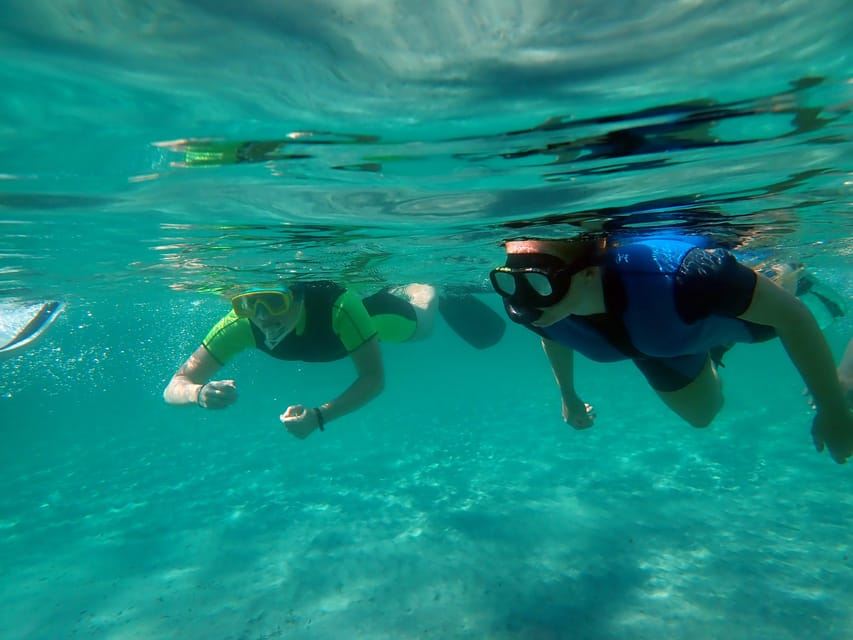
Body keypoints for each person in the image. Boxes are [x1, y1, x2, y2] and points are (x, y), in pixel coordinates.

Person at [489, 232, 853, 464]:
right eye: (510, 282)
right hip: (661, 340)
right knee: (702, 416)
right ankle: (710, 346)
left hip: (719, 318)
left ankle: (788, 272)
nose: (523, 300)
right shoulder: (536, 304)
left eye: (539, 283)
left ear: (587, 272)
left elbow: (794, 319)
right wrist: (568, 395)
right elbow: (552, 334)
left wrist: (833, 409)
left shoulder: (686, 277)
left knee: (779, 294)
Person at [163, 281, 437, 439]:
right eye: (249, 304)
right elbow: (175, 385)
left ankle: (424, 286)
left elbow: (374, 379)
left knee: (423, 327)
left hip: (375, 318)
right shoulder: (241, 322)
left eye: (274, 302)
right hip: (337, 337)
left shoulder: (339, 306)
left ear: (299, 298)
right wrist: (197, 393)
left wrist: (319, 416)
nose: (262, 316)